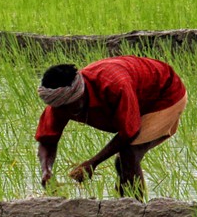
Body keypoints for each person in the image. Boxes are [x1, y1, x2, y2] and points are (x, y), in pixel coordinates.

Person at [36, 56, 187, 198]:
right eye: (62, 109)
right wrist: (46, 171)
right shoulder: (60, 103)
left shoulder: (114, 85)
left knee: (129, 153)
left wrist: (92, 163)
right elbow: (47, 139)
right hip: (136, 95)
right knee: (123, 161)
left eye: (72, 108)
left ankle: (137, 212)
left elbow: (130, 132)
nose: (67, 113)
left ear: (80, 94)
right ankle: (123, 206)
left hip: (165, 93)